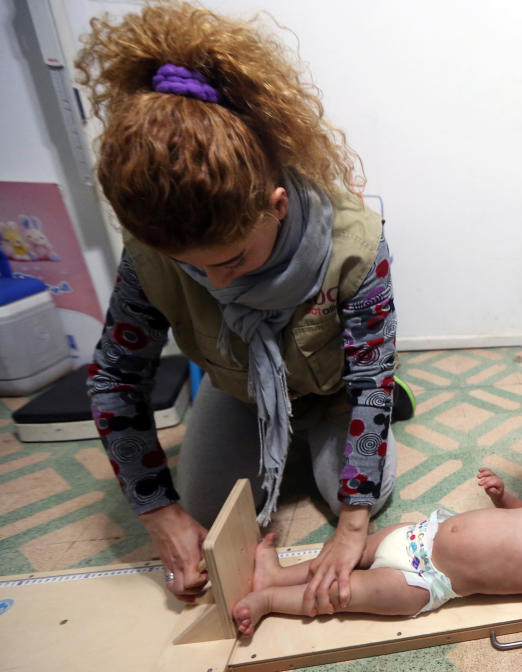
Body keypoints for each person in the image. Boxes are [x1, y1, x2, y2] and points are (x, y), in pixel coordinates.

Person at [78, 1, 412, 612]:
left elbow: (370, 381)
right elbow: (115, 382)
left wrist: (353, 529)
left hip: (337, 388)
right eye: (190, 267)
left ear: (276, 205)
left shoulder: (356, 244)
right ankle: (275, 441)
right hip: (241, 389)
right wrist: (160, 515)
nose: (212, 281)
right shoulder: (149, 254)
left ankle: (328, 437)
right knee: (206, 515)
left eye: (230, 261)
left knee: (354, 496)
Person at [231, 468, 522, 643]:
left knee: (342, 592)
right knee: (344, 553)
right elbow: (517, 519)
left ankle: (269, 600)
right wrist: (502, 495)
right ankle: (278, 574)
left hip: (420, 583)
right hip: (416, 534)